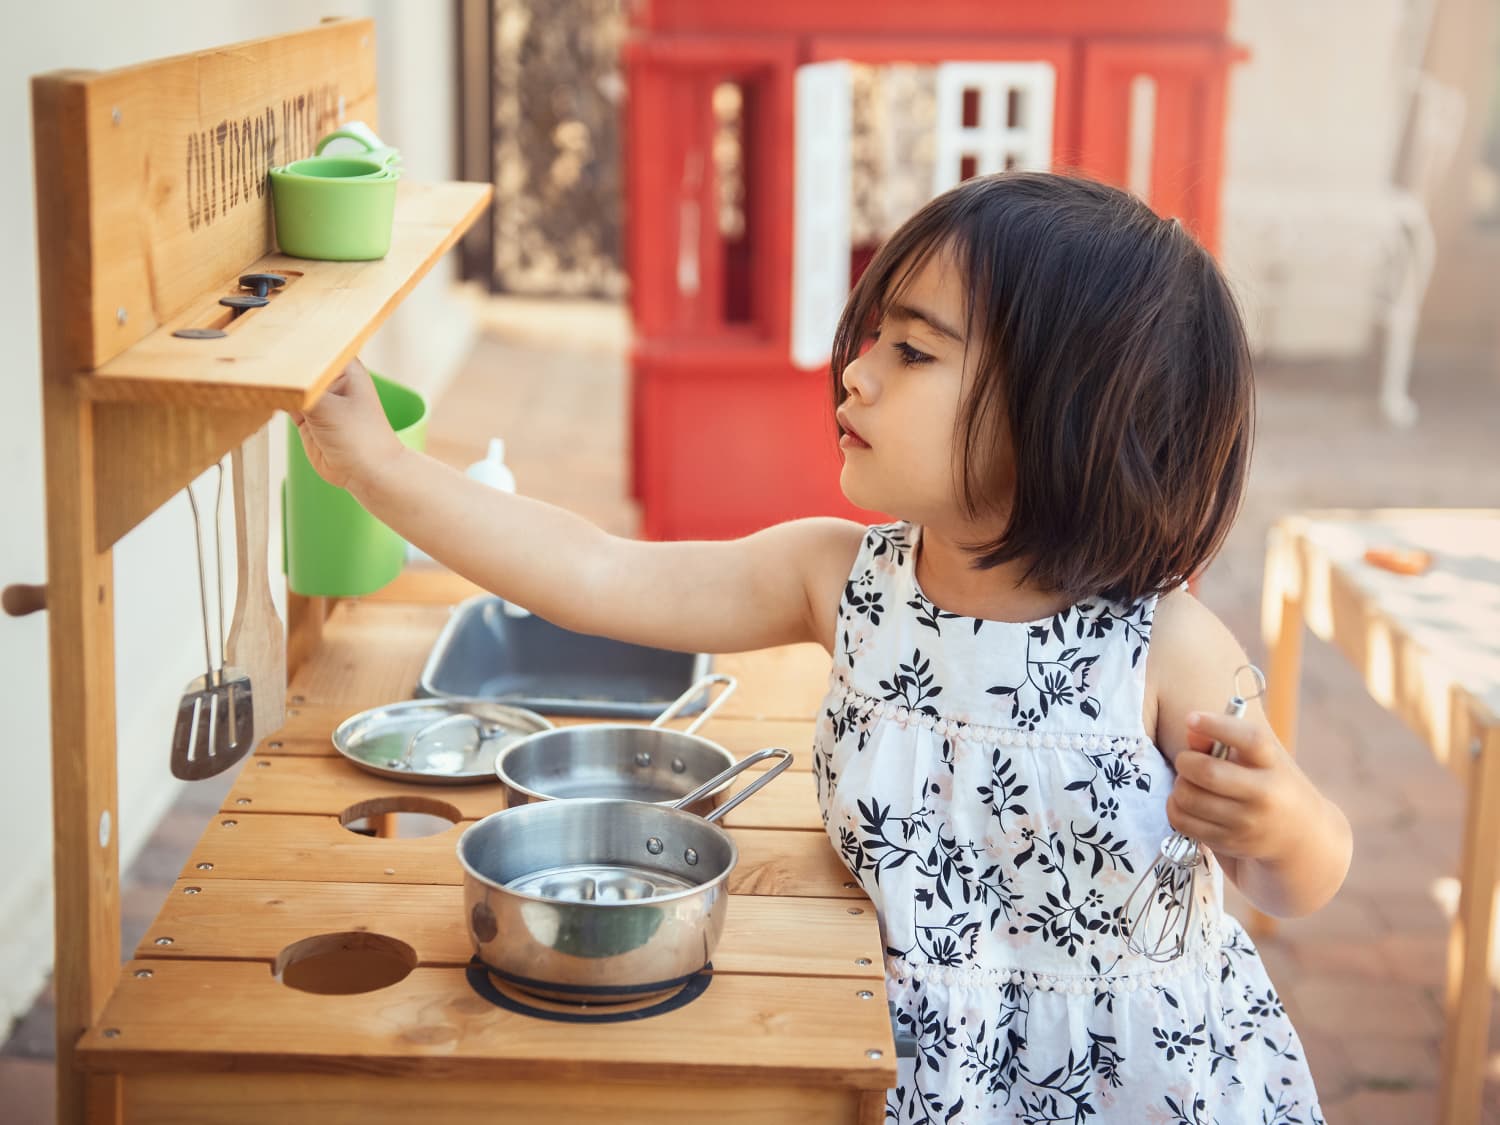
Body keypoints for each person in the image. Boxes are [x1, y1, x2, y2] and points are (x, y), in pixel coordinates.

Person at [293, 172, 1350, 1124]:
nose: (855, 371)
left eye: (913, 350)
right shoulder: (842, 580)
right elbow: (594, 574)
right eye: (870, 337)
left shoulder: (1162, 647)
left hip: (1144, 1085)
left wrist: (1287, 822)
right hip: (904, 1067)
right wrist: (379, 470)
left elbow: (1298, 880)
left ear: (1064, 415)